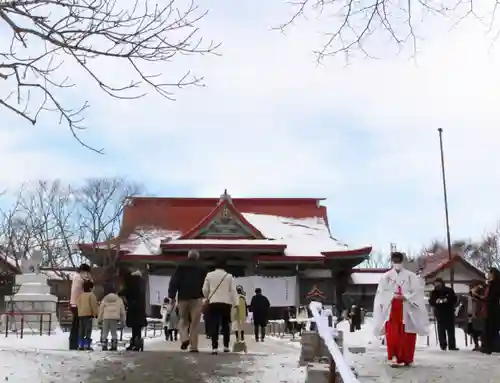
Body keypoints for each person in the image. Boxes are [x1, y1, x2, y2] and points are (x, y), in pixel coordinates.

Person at [373, 252, 429, 367]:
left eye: (398, 261)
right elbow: (381, 293)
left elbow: (417, 291)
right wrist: (392, 296)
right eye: (395, 261)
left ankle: (408, 358)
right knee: (393, 334)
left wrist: (406, 296)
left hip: (407, 307)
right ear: (392, 262)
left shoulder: (411, 276)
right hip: (392, 307)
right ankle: (393, 356)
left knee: (408, 334)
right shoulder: (386, 276)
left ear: (402, 262)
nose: (397, 264)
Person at [168, 249, 207, 352]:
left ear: (188, 256)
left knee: (183, 321)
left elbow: (174, 281)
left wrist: (172, 295)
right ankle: (194, 347)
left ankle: (184, 338)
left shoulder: (181, 266)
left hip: (183, 298)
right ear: (197, 257)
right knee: (195, 323)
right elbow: (205, 284)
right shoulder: (202, 267)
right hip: (197, 298)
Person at [203, 258, 238, 354]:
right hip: (226, 303)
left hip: (213, 303)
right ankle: (226, 346)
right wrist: (236, 303)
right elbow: (233, 291)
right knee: (226, 325)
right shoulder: (229, 276)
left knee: (214, 325)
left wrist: (207, 297)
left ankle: (214, 347)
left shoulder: (209, 275)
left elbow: (204, 290)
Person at [471, 267, 500, 355]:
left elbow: (490, 298)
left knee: (491, 329)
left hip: (493, 309)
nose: (488, 275)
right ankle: (488, 346)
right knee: (486, 329)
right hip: (487, 309)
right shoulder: (489, 285)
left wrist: (477, 295)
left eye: (490, 273)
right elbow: (485, 297)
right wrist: (476, 294)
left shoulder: (496, 285)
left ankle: (492, 347)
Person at [120, 269, 147, 351]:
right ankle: (138, 342)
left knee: (134, 326)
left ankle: (134, 343)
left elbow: (123, 293)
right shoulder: (142, 283)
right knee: (138, 326)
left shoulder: (131, 283)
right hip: (141, 307)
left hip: (132, 306)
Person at [429, 278, 458, 351]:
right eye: (436, 283)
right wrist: (437, 301)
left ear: (442, 283)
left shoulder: (449, 290)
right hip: (439, 313)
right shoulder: (433, 292)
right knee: (441, 330)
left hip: (449, 312)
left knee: (451, 330)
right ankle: (443, 345)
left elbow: (454, 299)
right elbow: (431, 301)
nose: (437, 285)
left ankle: (452, 346)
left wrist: (446, 300)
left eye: (438, 283)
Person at [69, 263, 92, 350]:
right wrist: (89, 279)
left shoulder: (76, 277)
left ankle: (73, 343)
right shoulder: (81, 278)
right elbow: (88, 287)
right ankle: (77, 344)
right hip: (80, 304)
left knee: (76, 324)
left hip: (74, 303)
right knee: (80, 325)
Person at [98, 285, 126, 351]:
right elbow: (122, 311)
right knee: (114, 332)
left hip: (106, 317)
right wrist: (123, 320)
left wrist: (99, 319)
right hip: (114, 318)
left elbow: (101, 310)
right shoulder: (119, 299)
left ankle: (104, 345)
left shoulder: (105, 299)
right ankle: (114, 346)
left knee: (105, 332)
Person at [76, 280, 99, 350]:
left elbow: (78, 304)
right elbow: (94, 305)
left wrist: (79, 312)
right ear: (91, 288)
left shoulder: (81, 295)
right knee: (88, 330)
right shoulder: (91, 295)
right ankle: (87, 345)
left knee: (81, 330)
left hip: (81, 315)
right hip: (88, 314)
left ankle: (81, 345)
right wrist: (95, 314)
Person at [467, 282, 484, 351]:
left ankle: (483, 344)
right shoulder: (470, 296)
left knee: (481, 330)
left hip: (480, 315)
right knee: (473, 331)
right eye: (473, 287)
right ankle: (476, 344)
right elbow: (469, 305)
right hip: (471, 315)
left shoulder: (481, 294)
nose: (474, 289)